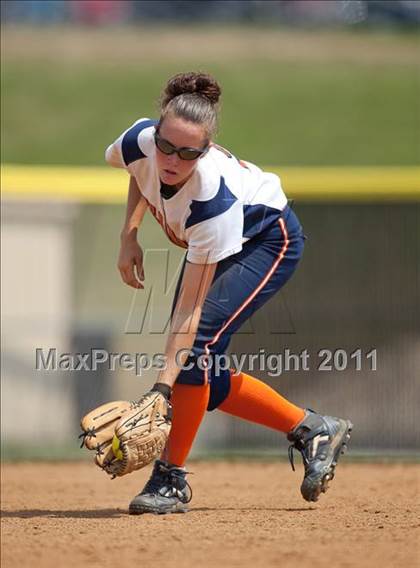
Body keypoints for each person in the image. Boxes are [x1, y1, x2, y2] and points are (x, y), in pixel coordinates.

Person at [105, 72, 352, 515]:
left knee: (194, 351)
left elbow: (190, 310)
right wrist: (129, 233)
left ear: (205, 152)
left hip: (266, 237)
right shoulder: (138, 143)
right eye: (165, 146)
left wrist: (160, 390)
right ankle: (312, 428)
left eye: (188, 152)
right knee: (200, 371)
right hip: (222, 239)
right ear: (154, 135)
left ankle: (170, 480)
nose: (172, 160)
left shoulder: (210, 205)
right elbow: (138, 171)